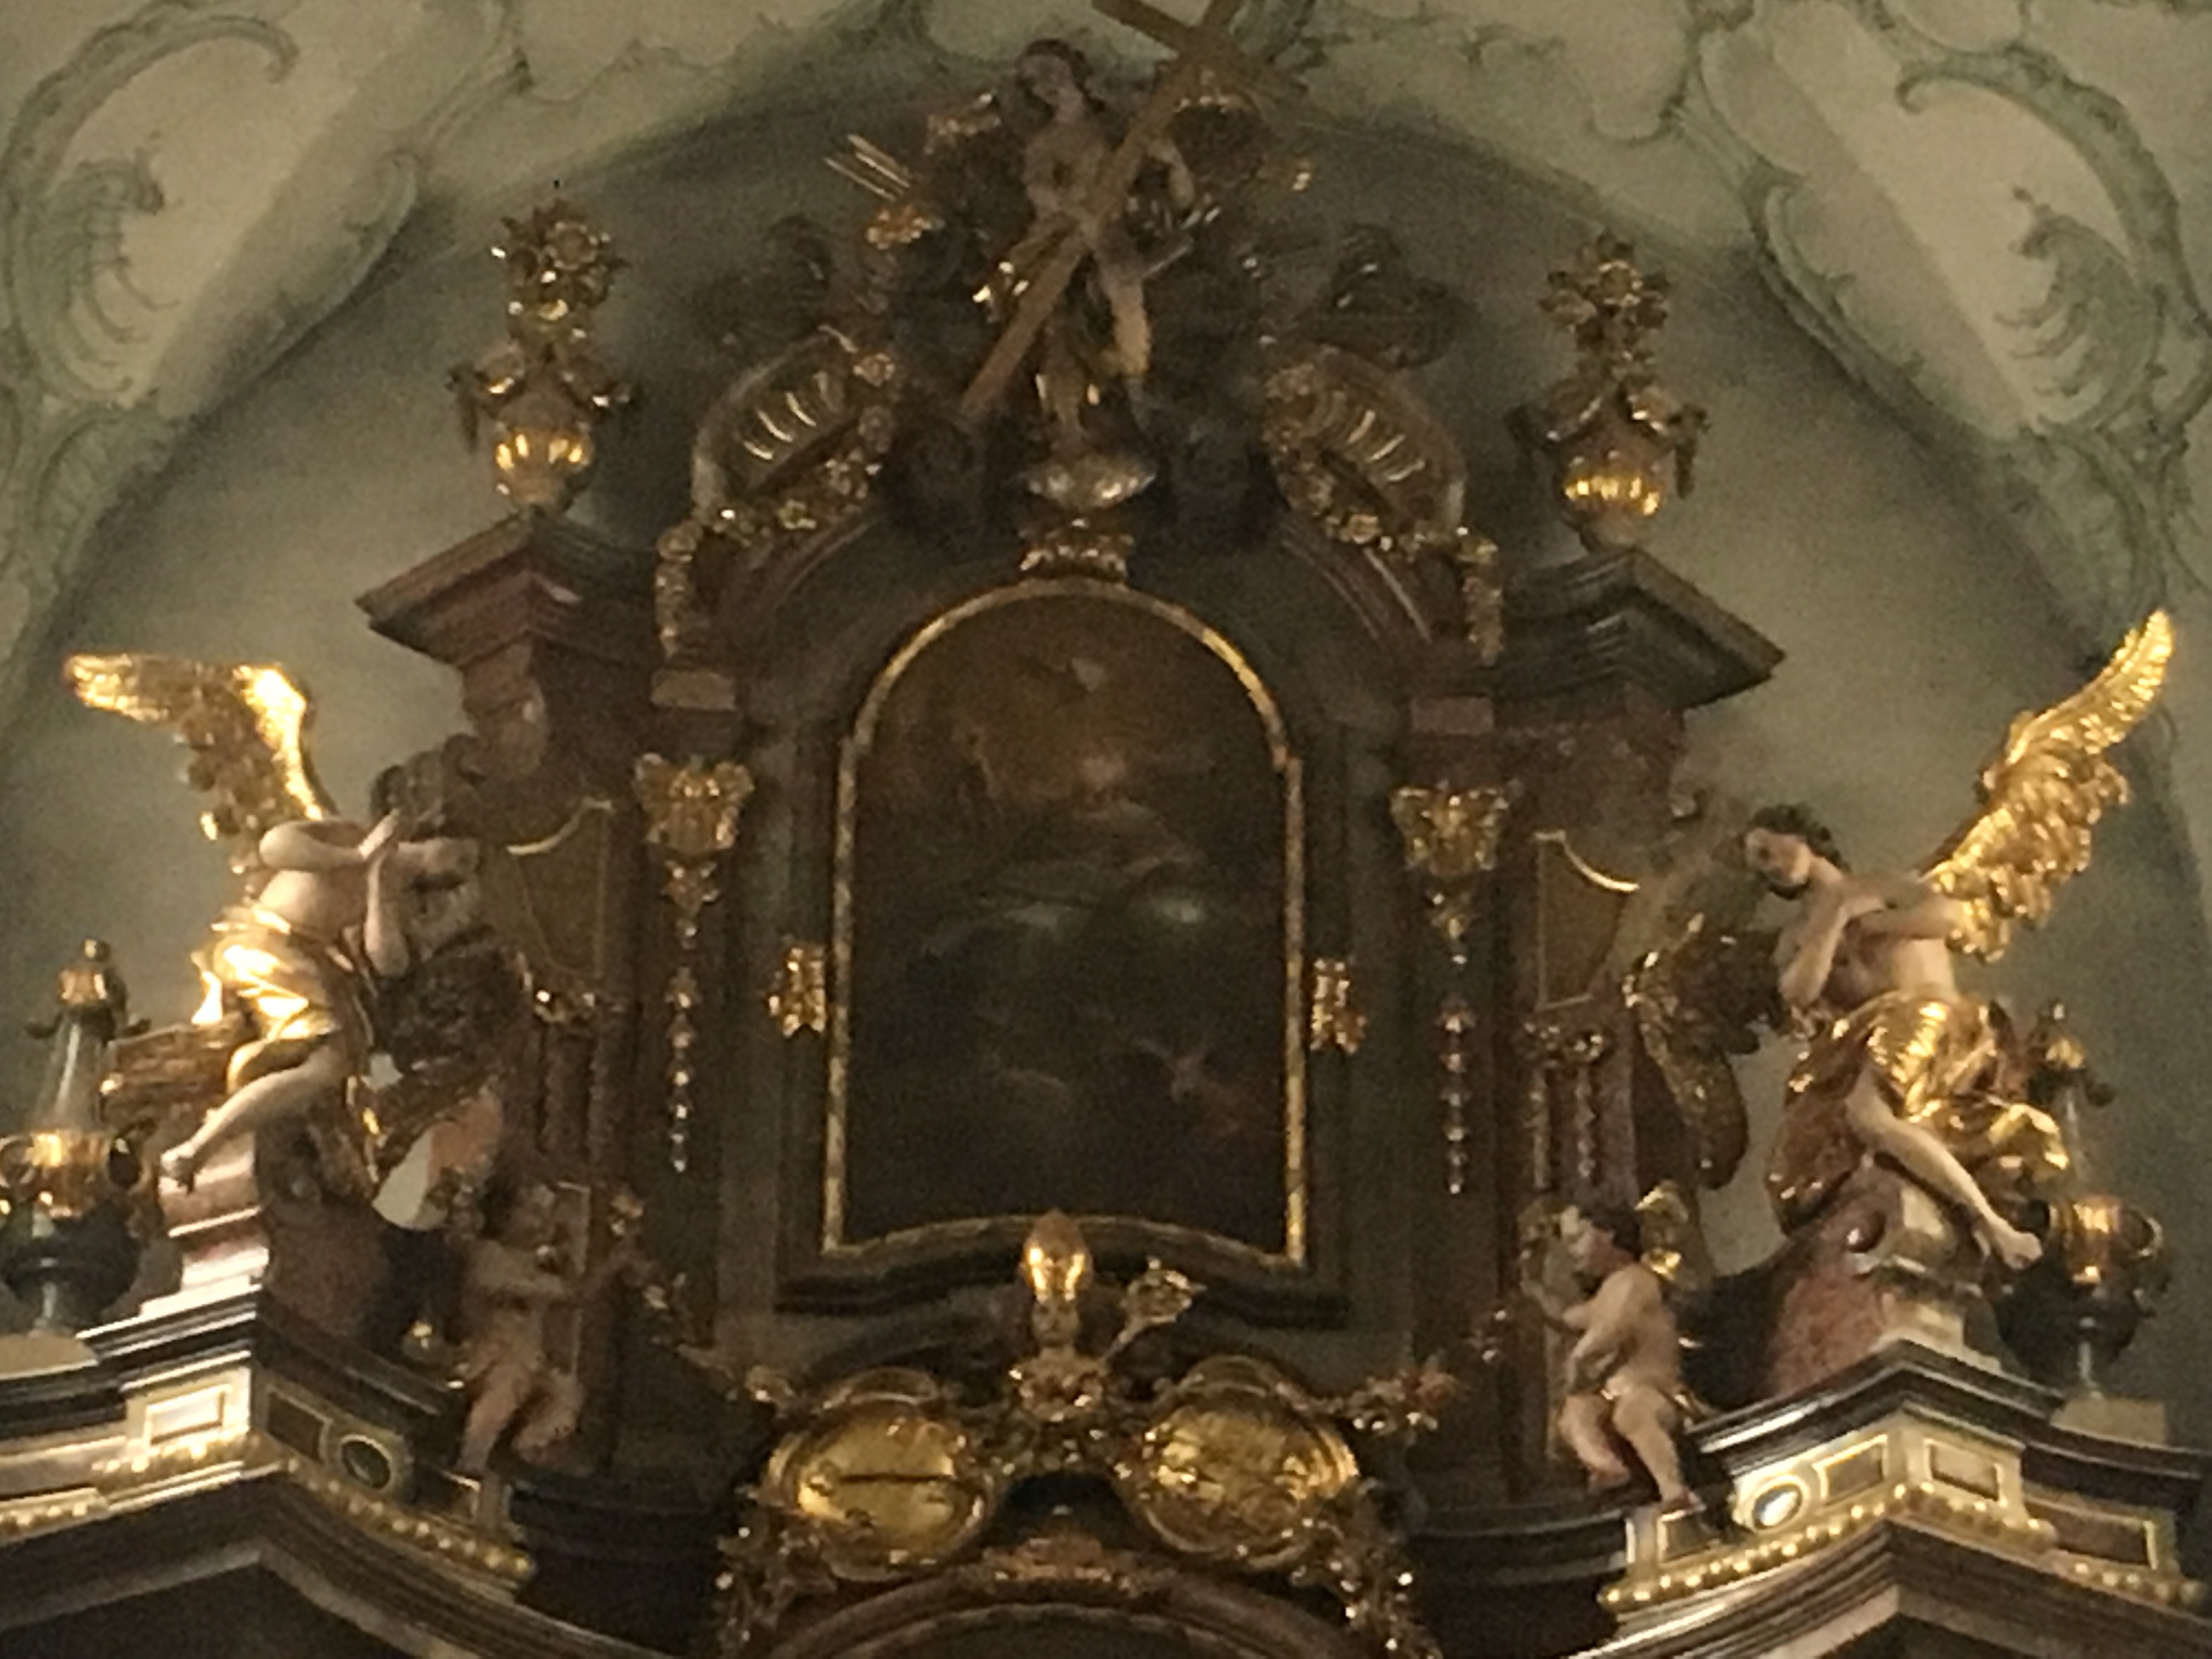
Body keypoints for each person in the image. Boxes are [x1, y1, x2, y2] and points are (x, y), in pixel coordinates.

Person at [1742, 804, 2046, 1268]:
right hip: (1858, 1042)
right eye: (1759, 865)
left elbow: (1949, 918)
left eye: (1768, 849)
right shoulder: (1797, 936)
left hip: (1924, 1012)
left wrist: (1867, 921)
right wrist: (1833, 920)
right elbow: (1799, 992)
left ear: (1800, 835)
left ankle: (1995, 1227)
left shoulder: (1881, 886)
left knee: (1867, 1114)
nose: (1770, 866)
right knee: (1791, 1170)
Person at [160, 784, 478, 1190]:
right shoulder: (351, 834)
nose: (458, 867)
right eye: (461, 853)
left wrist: (378, 884)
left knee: (334, 1067)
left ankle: (216, 1130)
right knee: (328, 1067)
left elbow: (389, 961)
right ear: (430, 832)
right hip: (267, 945)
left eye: (467, 867)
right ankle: (196, 1148)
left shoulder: (401, 897)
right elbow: (275, 846)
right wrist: (357, 857)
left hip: (303, 959)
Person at [1521, 1202, 1692, 1509]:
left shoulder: (1636, 1280)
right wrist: (1534, 1285)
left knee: (1633, 1414)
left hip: (1655, 1390)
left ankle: (1674, 1490)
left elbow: (1611, 1330)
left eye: (1577, 1239)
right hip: (1613, 1395)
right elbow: (1567, 1316)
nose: (1572, 1252)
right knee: (1575, 1413)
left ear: (1607, 1235)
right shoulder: (1608, 1290)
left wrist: (1579, 1360)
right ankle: (1608, 1469)